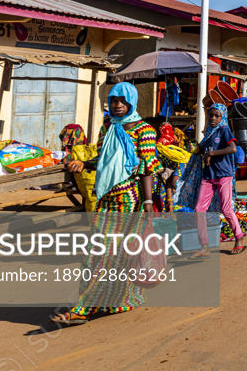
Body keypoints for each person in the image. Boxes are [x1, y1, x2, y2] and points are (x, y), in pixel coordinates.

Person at [55, 82, 162, 326]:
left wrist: (147, 206)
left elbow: (147, 168)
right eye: (114, 101)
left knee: (103, 253)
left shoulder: (144, 130)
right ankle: (122, 299)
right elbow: (104, 159)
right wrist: (85, 164)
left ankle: (84, 308)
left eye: (122, 101)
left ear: (131, 103)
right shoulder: (108, 127)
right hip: (106, 197)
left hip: (129, 199)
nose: (117, 105)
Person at [193, 104, 245, 256]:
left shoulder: (224, 131)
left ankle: (239, 237)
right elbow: (202, 149)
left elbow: (233, 148)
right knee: (199, 210)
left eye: (217, 116)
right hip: (208, 175)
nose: (213, 118)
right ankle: (204, 245)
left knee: (226, 209)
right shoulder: (209, 133)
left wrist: (212, 154)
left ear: (222, 118)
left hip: (223, 174)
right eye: (211, 115)